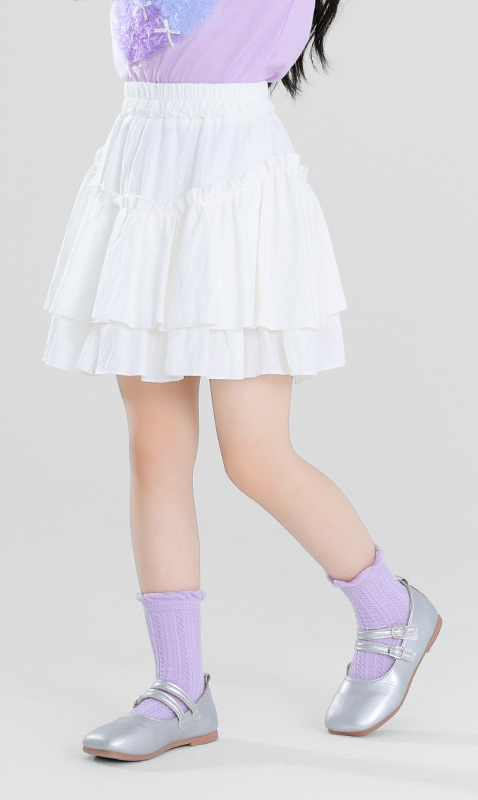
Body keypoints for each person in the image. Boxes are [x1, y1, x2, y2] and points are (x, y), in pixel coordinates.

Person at [43, 0, 442, 762]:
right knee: (154, 452)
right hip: (145, 160)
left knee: (255, 456)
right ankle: (179, 689)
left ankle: (390, 613)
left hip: (236, 179)